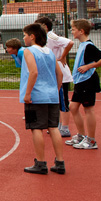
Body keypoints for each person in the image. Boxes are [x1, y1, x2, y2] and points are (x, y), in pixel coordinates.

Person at [20, 23, 65, 175]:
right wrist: (55, 89)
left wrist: (27, 93)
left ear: (32, 36)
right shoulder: (49, 52)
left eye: (25, 35)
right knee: (53, 127)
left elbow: (33, 72)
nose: (24, 38)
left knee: (36, 128)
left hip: (37, 96)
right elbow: (59, 74)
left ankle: (40, 162)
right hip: (52, 96)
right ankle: (60, 162)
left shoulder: (29, 51)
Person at [65, 19, 101, 150]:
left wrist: (89, 66)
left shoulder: (89, 46)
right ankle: (81, 135)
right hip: (80, 81)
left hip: (87, 81)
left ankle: (91, 140)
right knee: (73, 107)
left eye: (73, 29)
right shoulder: (82, 45)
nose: (72, 31)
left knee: (88, 109)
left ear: (81, 31)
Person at [35, 17, 74, 138]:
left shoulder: (51, 36)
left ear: (45, 26)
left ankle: (65, 128)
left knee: (63, 101)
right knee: (55, 100)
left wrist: (62, 56)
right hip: (52, 73)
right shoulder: (44, 39)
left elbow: (69, 42)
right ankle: (57, 125)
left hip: (61, 74)